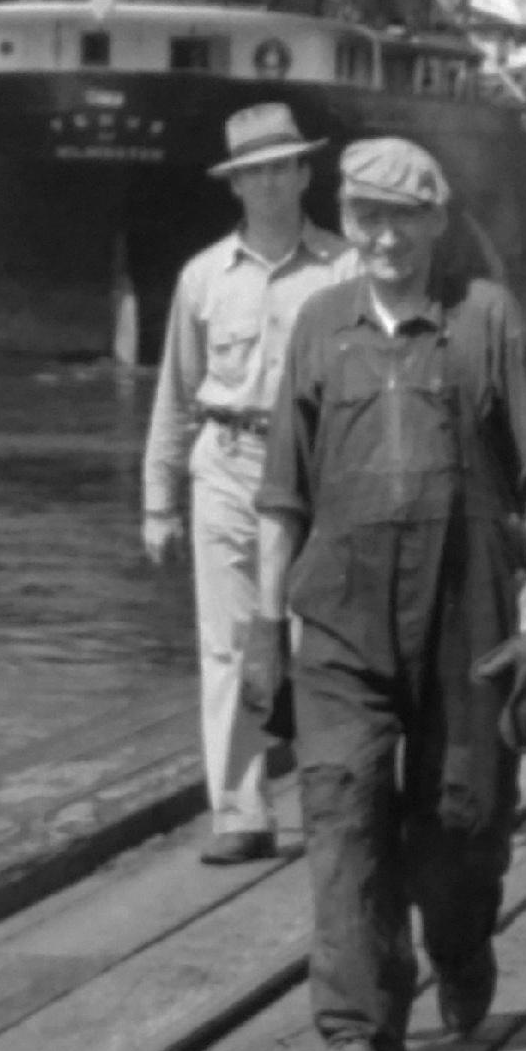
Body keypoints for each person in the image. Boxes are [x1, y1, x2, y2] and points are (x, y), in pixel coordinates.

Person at [248, 135, 526, 1051]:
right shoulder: (318, 324)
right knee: (342, 808)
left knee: (461, 823)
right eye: (365, 216)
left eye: (402, 216)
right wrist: (266, 628)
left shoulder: (485, 319)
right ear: (346, 224)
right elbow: (281, 494)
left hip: (469, 613)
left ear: (438, 221)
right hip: (343, 613)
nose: (383, 236)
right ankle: (357, 1017)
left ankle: (463, 943)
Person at [142, 103, 354, 863]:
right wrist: (158, 500)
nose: (268, 183)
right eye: (252, 172)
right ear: (234, 186)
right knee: (228, 644)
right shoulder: (202, 278)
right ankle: (240, 812)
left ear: (304, 173)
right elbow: (177, 391)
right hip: (227, 466)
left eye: (281, 166)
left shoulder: (346, 271)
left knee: (321, 638)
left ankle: (337, 803)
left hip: (321, 473)